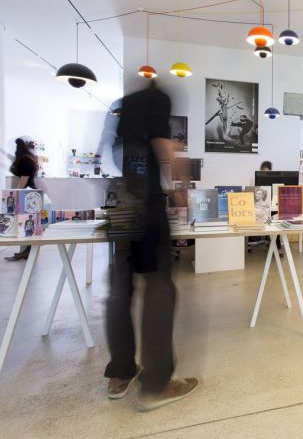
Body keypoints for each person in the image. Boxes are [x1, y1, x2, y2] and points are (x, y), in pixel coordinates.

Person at [105, 80, 198, 411]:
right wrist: (182, 188)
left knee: (119, 289)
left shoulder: (124, 107)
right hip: (147, 204)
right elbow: (162, 146)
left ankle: (120, 373)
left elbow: (117, 155)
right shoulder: (157, 99)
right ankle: (157, 384)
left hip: (120, 202)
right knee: (159, 288)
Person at [4, 137, 38, 262]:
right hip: (31, 192)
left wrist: (17, 193)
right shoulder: (30, 159)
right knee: (27, 223)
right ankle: (25, 251)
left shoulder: (24, 161)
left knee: (24, 223)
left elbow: (24, 178)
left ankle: (26, 251)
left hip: (27, 193)